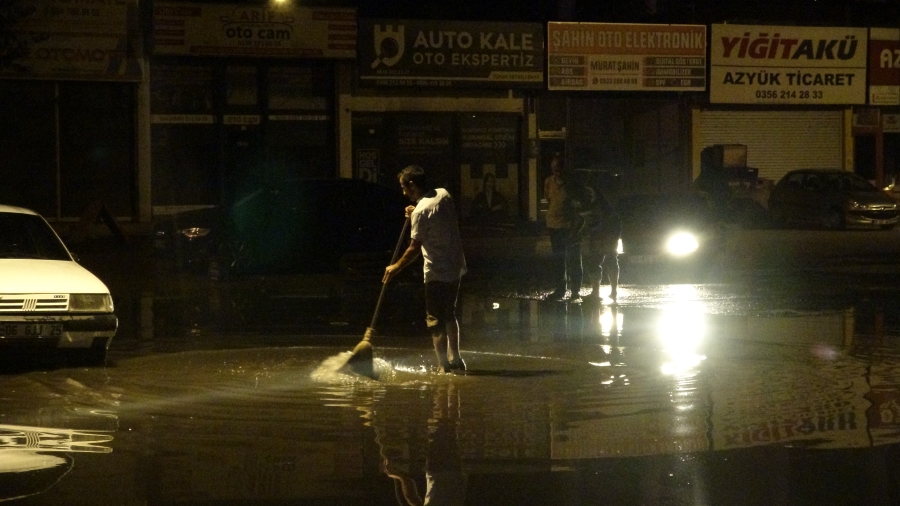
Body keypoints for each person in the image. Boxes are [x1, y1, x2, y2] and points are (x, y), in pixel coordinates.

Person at [384, 165, 468, 373]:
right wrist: (416, 210)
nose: (404, 193)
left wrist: (395, 267)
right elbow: (434, 215)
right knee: (449, 312)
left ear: (412, 185)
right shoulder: (443, 194)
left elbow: (414, 248)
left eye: (404, 188)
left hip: (436, 270)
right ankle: (456, 358)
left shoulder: (421, 211)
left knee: (434, 319)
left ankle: (443, 365)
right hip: (455, 265)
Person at [543, 153, 585, 303]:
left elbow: (579, 203)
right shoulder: (549, 182)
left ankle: (575, 291)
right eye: (555, 170)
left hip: (569, 226)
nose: (557, 174)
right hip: (554, 226)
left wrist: (575, 224)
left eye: (559, 170)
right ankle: (560, 289)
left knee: (574, 258)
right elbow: (549, 199)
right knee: (559, 259)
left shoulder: (572, 183)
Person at [585, 186, 621, 301]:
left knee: (606, 259)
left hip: (609, 229)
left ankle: (607, 291)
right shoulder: (596, 203)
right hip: (606, 229)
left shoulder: (599, 205)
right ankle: (598, 292)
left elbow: (603, 220)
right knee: (600, 260)